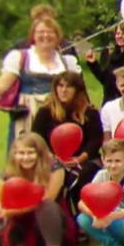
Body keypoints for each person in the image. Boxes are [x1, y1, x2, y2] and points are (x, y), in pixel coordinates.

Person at [0, 17, 81, 148]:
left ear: (58, 36)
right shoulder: (20, 57)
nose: (45, 36)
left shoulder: (67, 62)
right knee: (26, 154)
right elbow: (2, 85)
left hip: (58, 116)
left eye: (50, 32)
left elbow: (79, 92)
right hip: (27, 116)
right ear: (33, 36)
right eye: (40, 32)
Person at [0, 134, 71, 246]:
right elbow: (4, 200)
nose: (26, 157)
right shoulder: (7, 173)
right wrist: (2, 209)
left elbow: (46, 199)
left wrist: (12, 211)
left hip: (48, 218)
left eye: (30, 152)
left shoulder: (55, 167)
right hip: (18, 218)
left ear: (40, 153)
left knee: (46, 206)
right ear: (14, 154)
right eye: (21, 153)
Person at [31, 72, 104, 208]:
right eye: (60, 86)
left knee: (82, 177)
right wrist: (54, 158)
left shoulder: (89, 113)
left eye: (69, 87)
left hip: (85, 160)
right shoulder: (45, 112)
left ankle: (82, 217)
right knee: (53, 175)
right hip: (52, 160)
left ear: (77, 90)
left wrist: (78, 159)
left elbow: (95, 141)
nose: (63, 90)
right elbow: (36, 139)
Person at [84, 23, 124, 103]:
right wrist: (93, 63)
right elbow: (105, 80)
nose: (120, 36)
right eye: (118, 33)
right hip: (110, 102)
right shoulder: (111, 56)